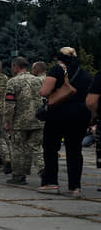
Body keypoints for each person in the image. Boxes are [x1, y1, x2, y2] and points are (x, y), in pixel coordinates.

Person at [38, 47, 92, 196]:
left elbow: (44, 92)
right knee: (75, 151)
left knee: (50, 148)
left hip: (58, 114)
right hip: (80, 115)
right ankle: (75, 187)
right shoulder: (84, 73)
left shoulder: (57, 70)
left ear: (59, 57)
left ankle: (51, 183)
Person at [4, 56, 44, 185]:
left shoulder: (13, 82)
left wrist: (7, 121)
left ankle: (18, 176)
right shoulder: (38, 81)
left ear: (15, 66)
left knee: (18, 148)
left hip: (20, 121)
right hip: (38, 120)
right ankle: (44, 170)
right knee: (36, 148)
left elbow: (10, 104)